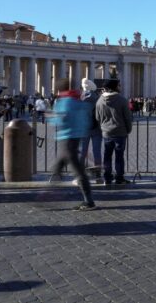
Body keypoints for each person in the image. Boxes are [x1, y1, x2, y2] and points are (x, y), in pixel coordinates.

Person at [49, 79, 96, 211]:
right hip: (76, 137)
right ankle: (50, 194)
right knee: (57, 168)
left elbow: (59, 119)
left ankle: (89, 201)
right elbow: (87, 120)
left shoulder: (63, 102)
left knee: (78, 171)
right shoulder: (79, 101)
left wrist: (50, 117)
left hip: (66, 138)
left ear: (59, 90)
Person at [95, 79, 133, 185]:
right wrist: (128, 129)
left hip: (106, 132)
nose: (120, 87)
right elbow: (127, 118)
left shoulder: (99, 101)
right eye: (119, 85)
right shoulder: (122, 100)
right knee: (119, 156)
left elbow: (97, 118)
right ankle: (119, 178)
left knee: (107, 156)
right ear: (114, 87)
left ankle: (107, 178)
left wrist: (103, 127)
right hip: (120, 132)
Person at [79, 78, 103, 183]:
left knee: (83, 151)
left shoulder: (81, 98)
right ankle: (98, 174)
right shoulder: (98, 98)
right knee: (97, 151)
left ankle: (80, 174)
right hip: (97, 128)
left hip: (84, 128)